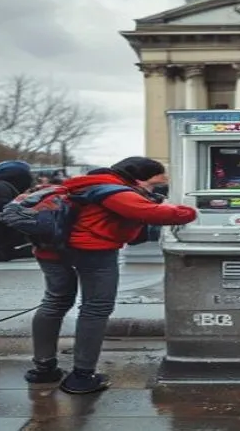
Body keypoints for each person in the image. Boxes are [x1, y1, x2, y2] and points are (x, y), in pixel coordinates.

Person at [25, 156, 197, 394]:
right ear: (138, 178)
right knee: (95, 308)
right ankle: (82, 377)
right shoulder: (114, 191)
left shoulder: (81, 183)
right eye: (154, 184)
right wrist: (195, 209)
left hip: (50, 250)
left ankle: (43, 369)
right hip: (93, 253)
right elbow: (160, 215)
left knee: (54, 302)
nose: (155, 189)